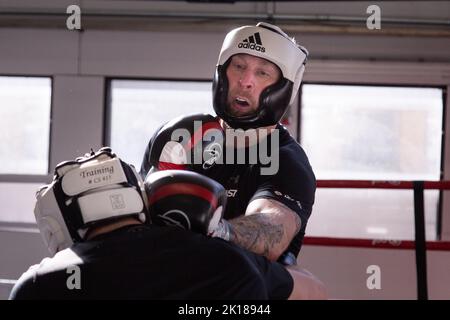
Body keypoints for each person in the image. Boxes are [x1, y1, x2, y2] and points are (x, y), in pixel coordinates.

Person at [9, 147, 325, 300]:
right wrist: (222, 236)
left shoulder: (40, 286)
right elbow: (314, 292)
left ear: (57, 222)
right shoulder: (226, 260)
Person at [140, 22, 315, 266]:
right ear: (222, 72)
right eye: (239, 66)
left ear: (283, 88)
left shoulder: (286, 161)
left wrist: (218, 230)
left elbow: (272, 230)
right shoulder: (178, 136)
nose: (245, 81)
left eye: (262, 73)